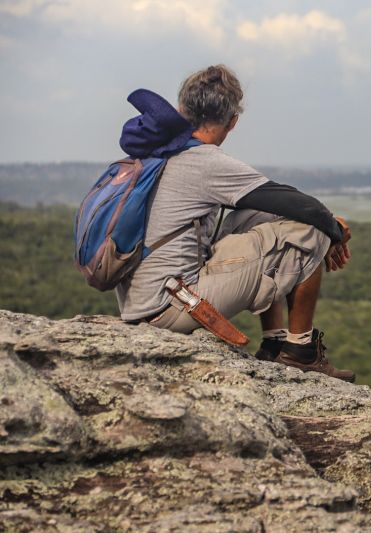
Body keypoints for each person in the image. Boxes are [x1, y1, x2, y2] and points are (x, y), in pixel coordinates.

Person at [115, 64, 355, 382]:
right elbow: (302, 207)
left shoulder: (157, 151)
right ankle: (301, 352)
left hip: (143, 302)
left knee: (261, 218)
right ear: (232, 121)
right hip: (168, 309)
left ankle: (274, 341)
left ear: (182, 110)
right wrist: (334, 232)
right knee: (310, 229)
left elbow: (275, 206)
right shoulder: (204, 161)